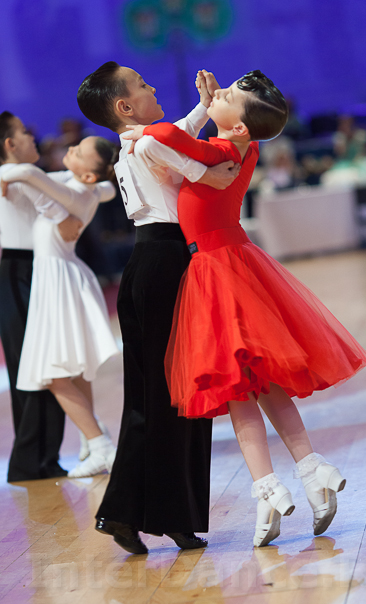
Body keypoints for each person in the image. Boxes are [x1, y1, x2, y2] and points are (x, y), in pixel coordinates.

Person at [124, 70, 366, 547]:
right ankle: (312, 470)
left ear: (238, 125)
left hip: (215, 270)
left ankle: (269, 489)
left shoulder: (219, 151)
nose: (219, 93)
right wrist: (197, 110)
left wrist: (145, 130)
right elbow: (176, 141)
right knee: (265, 385)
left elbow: (170, 137)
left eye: (228, 95)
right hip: (237, 262)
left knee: (238, 390)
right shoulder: (244, 148)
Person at [76, 61, 239, 554]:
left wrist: (204, 108)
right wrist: (231, 138)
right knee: (181, 392)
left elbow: (179, 134)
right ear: (125, 105)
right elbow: (214, 173)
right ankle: (171, 515)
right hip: (167, 266)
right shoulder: (147, 144)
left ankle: (124, 513)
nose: (152, 87)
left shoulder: (137, 142)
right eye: (143, 85)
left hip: (147, 266)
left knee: (150, 399)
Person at [1, 134, 120, 478]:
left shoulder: (73, 193)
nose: (70, 149)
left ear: (88, 174)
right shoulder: (88, 188)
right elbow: (106, 189)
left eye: (78, 151)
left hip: (58, 281)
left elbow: (25, 173)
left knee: (52, 374)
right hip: (64, 277)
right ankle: (92, 439)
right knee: (74, 368)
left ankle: (99, 444)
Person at [0, 111, 80, 482]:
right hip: (16, 273)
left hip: (41, 269)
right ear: (9, 144)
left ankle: (46, 458)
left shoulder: (32, 176)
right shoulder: (9, 175)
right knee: (30, 368)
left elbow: (70, 181)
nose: (33, 137)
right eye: (24, 133)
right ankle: (27, 461)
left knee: (52, 364)